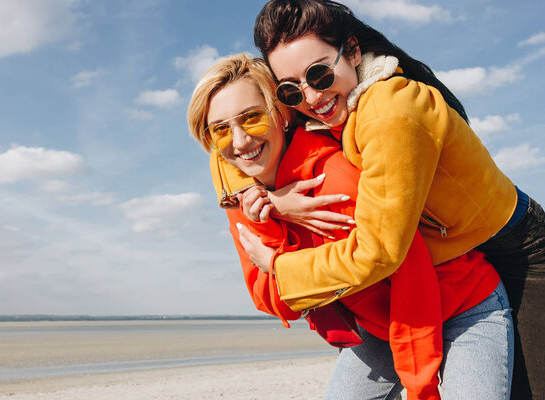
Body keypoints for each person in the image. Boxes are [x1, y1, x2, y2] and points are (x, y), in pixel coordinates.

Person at [231, 1, 544, 398]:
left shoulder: (389, 113)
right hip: (443, 267)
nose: (310, 95)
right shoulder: (330, 111)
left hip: (518, 252)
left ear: (354, 51)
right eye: (292, 88)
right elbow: (229, 141)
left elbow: (379, 251)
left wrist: (279, 266)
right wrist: (272, 201)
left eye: (319, 72)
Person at [187, 53, 513, 400]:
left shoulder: (335, 181)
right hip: (382, 327)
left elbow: (410, 274)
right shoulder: (242, 199)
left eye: (252, 118)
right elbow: (276, 303)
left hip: (459, 304)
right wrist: (269, 218)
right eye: (220, 130)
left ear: (282, 115)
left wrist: (421, 387)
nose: (239, 142)